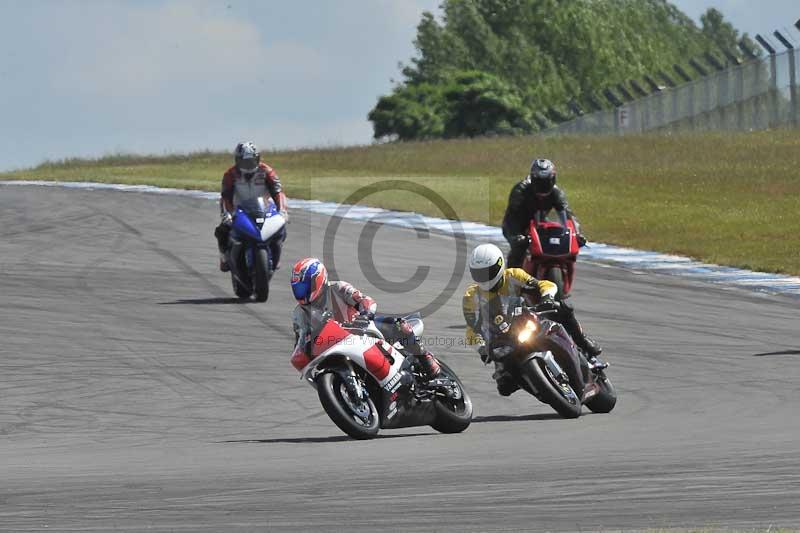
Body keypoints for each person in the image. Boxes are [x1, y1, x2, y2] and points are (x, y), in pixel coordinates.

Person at [462, 243, 603, 396]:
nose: (485, 277)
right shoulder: (471, 296)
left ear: (499, 265)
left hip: (527, 318)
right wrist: (482, 348)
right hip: (502, 338)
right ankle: (539, 386)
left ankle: (583, 341)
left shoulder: (513, 276)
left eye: (488, 272)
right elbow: (472, 329)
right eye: (479, 273)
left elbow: (543, 284)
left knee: (563, 308)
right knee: (504, 386)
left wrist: (547, 297)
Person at [289, 258, 441, 380]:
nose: (301, 292)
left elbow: (365, 300)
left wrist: (365, 315)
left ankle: (425, 358)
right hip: (332, 347)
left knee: (400, 325)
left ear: (318, 279)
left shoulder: (338, 288)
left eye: (304, 287)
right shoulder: (299, 314)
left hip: (361, 330)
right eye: (298, 288)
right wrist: (301, 352)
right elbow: (301, 340)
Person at [215, 141, 288, 272]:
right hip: (238, 210)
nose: (248, 166)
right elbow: (225, 196)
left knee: (281, 229)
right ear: (237, 161)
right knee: (222, 231)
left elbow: (278, 192)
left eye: (251, 161)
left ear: (258, 159)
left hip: (263, 209)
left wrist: (282, 210)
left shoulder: (267, 171)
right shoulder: (230, 175)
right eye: (245, 162)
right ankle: (224, 257)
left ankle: (275, 254)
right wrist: (228, 213)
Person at [501, 158, 587, 268]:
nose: (544, 185)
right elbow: (512, 217)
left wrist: (577, 234)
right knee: (519, 248)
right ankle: (511, 279)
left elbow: (568, 213)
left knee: (562, 249)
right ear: (533, 179)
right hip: (517, 225)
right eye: (540, 182)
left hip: (539, 224)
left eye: (547, 181)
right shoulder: (520, 190)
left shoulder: (556, 193)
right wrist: (517, 236)